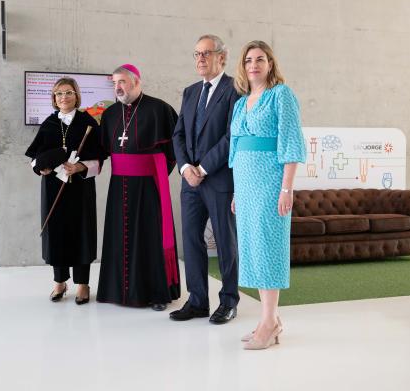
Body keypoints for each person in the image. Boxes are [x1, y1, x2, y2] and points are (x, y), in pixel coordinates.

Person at [229, 40, 306, 350]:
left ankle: (269, 323)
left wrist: (286, 187)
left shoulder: (281, 95)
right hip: (245, 185)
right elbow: (235, 151)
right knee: (253, 249)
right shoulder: (241, 102)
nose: (253, 65)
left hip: (270, 181)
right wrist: (237, 191)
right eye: (248, 60)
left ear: (270, 64)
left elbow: (291, 143)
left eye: (260, 59)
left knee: (268, 247)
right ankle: (267, 320)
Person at [97, 64, 180, 311]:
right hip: (118, 186)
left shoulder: (159, 109)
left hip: (148, 187)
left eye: (121, 82)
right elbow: (101, 150)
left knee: (149, 238)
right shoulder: (110, 114)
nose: (117, 87)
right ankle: (116, 291)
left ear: (136, 81)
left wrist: (155, 174)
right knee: (118, 237)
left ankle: (156, 294)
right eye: (114, 83)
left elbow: (175, 149)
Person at [170, 34, 240, 325]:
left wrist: (203, 168)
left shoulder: (235, 89)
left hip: (219, 178)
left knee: (225, 241)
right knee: (191, 240)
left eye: (206, 53)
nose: (200, 59)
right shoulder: (189, 92)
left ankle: (229, 301)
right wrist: (186, 167)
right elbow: (179, 134)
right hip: (190, 181)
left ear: (221, 57)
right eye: (196, 54)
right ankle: (197, 300)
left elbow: (232, 135)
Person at [25, 77, 103, 304]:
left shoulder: (88, 122)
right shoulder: (48, 124)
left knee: (82, 232)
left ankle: (82, 284)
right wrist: (41, 169)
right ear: (54, 98)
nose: (64, 97)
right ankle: (59, 281)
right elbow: (33, 158)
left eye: (68, 93)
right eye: (59, 94)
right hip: (53, 188)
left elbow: (99, 159)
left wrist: (80, 166)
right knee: (56, 233)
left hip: (80, 188)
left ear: (77, 96)